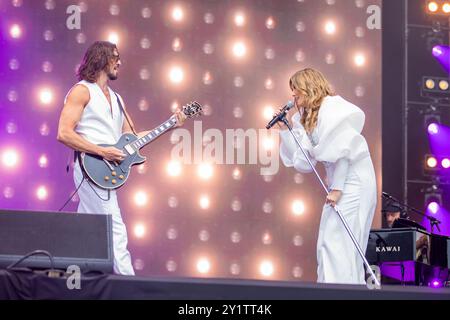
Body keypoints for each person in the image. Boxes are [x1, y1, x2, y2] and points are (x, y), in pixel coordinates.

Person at [57, 41, 186, 275]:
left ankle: (70, 278)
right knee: (115, 227)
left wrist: (170, 125)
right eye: (115, 57)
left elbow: (133, 139)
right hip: (91, 166)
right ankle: (129, 284)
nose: (120, 62)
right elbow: (64, 133)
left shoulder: (117, 99)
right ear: (101, 58)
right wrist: (102, 151)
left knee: (87, 228)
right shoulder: (82, 90)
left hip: (105, 170)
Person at [277, 68, 377, 284]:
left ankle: (341, 291)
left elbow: (344, 151)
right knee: (330, 241)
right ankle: (336, 289)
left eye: (296, 90)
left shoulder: (332, 108)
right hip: (339, 183)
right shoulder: (307, 118)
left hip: (353, 181)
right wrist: (285, 131)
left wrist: (338, 188)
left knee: (338, 240)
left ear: (308, 87)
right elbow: (303, 162)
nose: (293, 95)